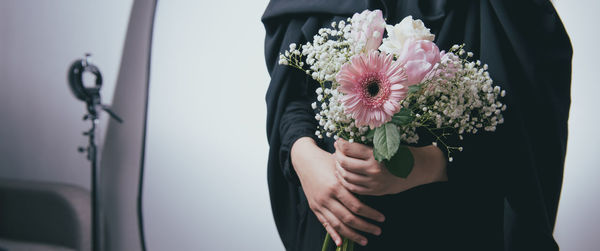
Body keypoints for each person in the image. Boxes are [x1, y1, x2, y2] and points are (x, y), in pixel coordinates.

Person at [262, 1, 572, 250]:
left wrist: (431, 164)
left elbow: (530, 110)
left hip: (448, 227)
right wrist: (302, 155)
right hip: (334, 221)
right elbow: (291, 84)